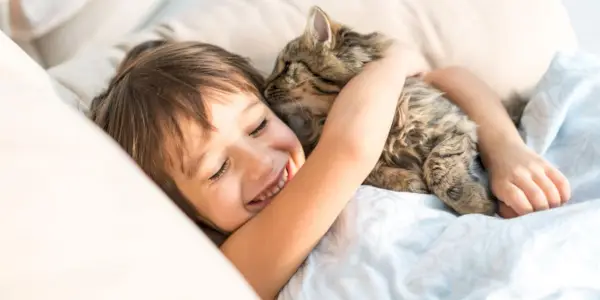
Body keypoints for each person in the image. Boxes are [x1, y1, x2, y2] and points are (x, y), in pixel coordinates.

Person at [89, 40, 570, 299]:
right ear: (183, 212)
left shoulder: (316, 134)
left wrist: (506, 147)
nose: (263, 163)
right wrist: (396, 56)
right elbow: (351, 147)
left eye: (257, 126)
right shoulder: (239, 263)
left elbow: (447, 78)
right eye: (216, 170)